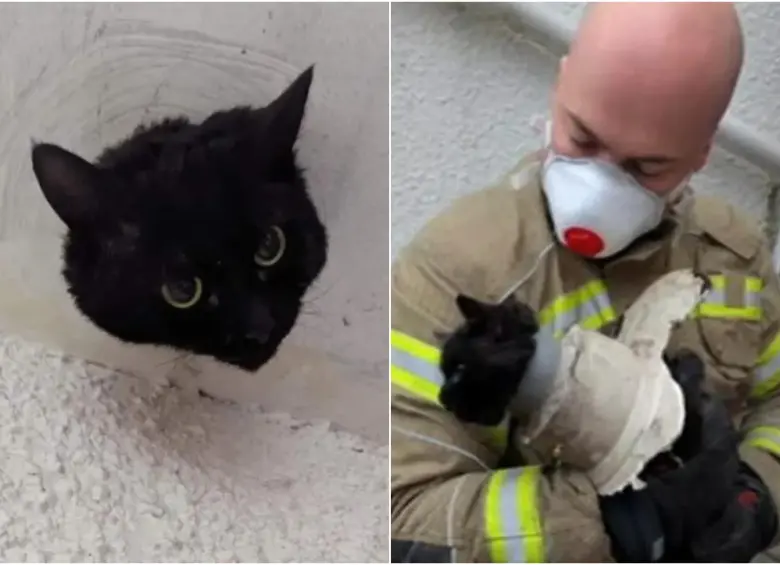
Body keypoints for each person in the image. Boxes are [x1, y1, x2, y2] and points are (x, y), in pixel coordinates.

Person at [390, 2, 780, 562]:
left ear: (703, 152)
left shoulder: (733, 257)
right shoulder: (459, 272)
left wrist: (755, 497)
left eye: (646, 168)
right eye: (583, 138)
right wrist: (613, 521)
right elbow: (402, 518)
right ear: (561, 83)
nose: (598, 190)